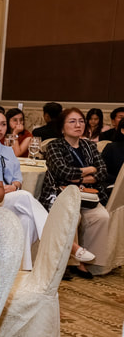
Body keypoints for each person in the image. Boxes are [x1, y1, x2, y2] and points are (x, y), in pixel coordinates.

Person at [0, 107, 56, 270]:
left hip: (8, 197)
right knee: (24, 196)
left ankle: (22, 269)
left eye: (3, 124)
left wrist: (14, 186)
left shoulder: (7, 151)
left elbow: (18, 179)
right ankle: (56, 238)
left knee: (26, 219)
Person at [39, 108, 110, 276]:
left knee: (101, 217)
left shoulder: (89, 146)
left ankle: (91, 261)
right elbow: (63, 172)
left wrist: (80, 177)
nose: (78, 125)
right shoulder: (55, 146)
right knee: (73, 217)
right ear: (62, 127)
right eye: (72, 121)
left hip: (88, 196)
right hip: (62, 195)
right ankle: (72, 262)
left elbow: (102, 172)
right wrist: (90, 170)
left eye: (81, 121)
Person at [101, 118, 124, 187]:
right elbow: (102, 172)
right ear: (122, 130)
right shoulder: (112, 148)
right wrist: (119, 180)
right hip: (115, 186)